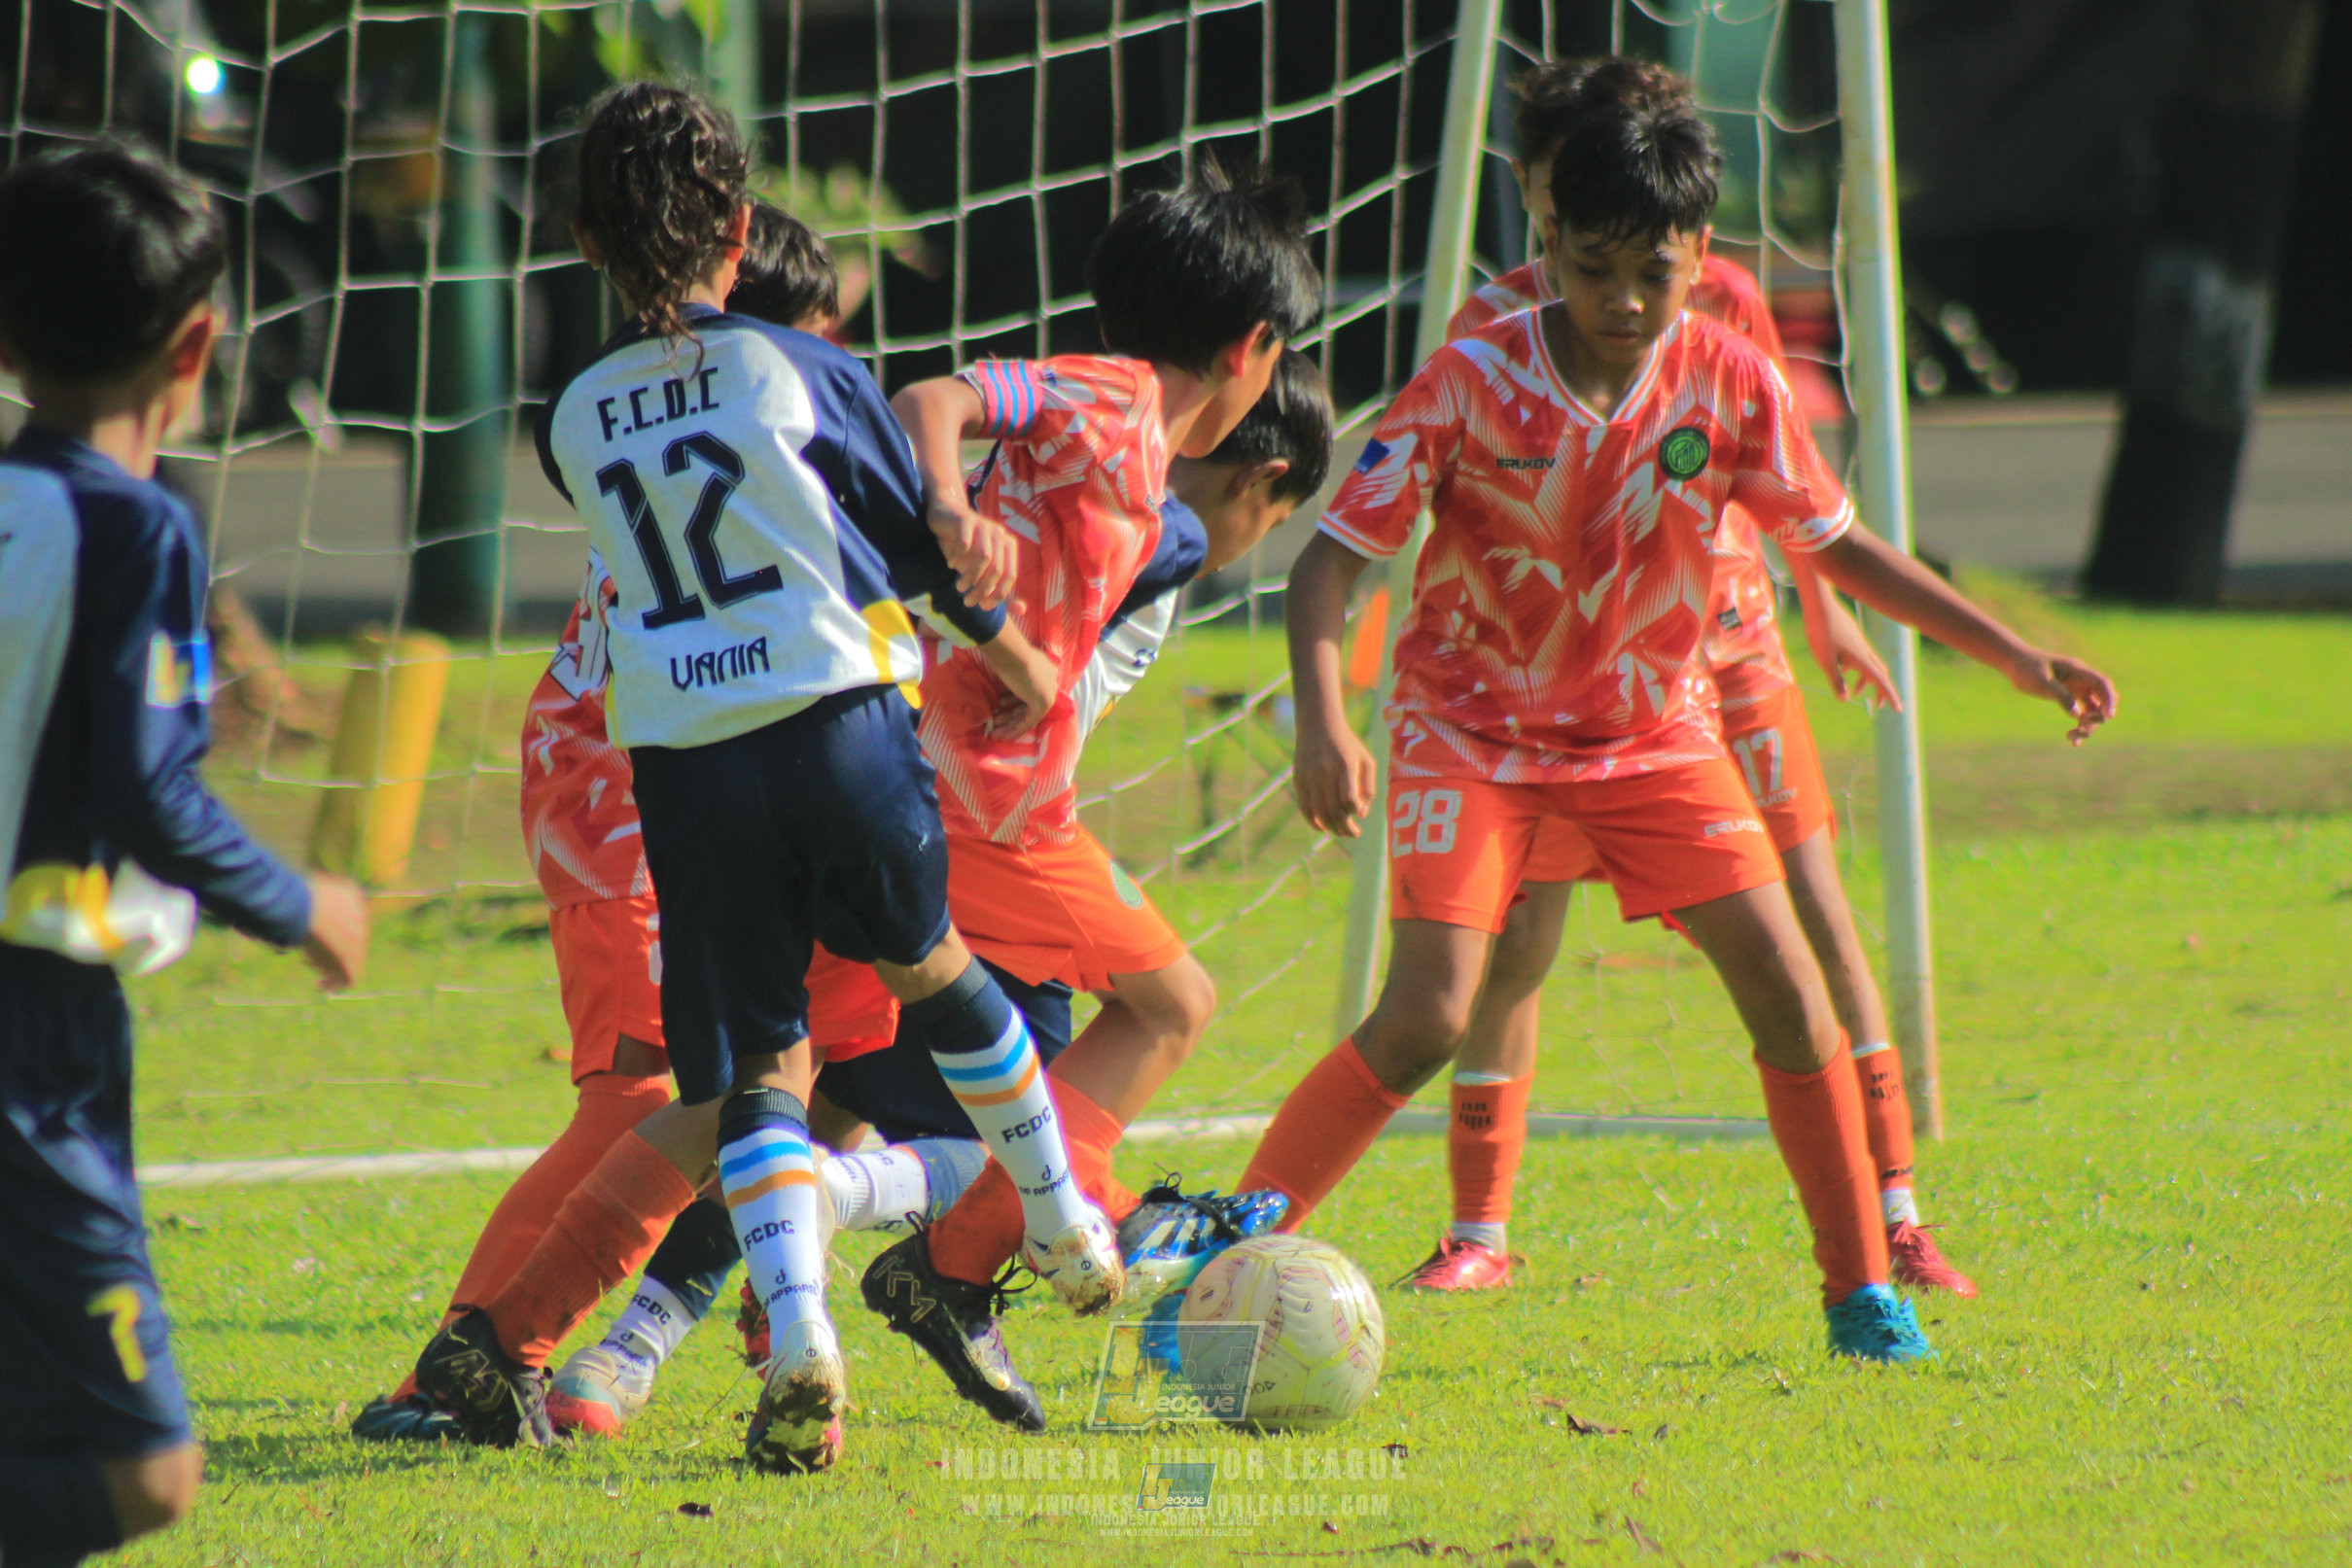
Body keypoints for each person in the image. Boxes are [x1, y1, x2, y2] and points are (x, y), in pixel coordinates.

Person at [1240, 69, 2115, 1362]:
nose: (1624, 302)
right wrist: (1324, 718)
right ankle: (1229, 1247)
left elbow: (1839, 543)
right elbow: (1327, 558)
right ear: (1545, 244)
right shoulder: (1469, 374)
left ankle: (1859, 1288)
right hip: (1471, 732)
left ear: (1693, 254)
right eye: (1594, 270)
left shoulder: (1726, 375)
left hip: (1651, 734)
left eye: (1650, 271)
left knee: (1781, 972)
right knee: (1430, 1006)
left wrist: (2006, 651)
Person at [411, 83, 1106, 1477]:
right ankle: (1057, 1214)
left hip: (687, 770)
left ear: (585, 242)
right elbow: (904, 543)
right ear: (739, 229)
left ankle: (796, 1330)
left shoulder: (572, 418)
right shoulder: (796, 369)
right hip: (836, 725)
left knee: (754, 1069)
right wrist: (1012, 653)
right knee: (930, 966)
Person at [554, 348, 1335, 1438]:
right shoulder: (1155, 523)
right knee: (1053, 1086)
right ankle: (939, 1256)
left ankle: (635, 1342)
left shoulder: (1077, 472)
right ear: (1262, 476)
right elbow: (1004, 603)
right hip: (947, 822)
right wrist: (984, 582)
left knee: (801, 1083)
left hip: (875, 792)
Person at [1409, 57, 1974, 1299]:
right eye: (1563, 208)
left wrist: (1826, 614)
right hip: (1566, 690)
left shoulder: (1711, 300)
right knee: (1513, 945)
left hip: (1722, 646)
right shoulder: (1488, 329)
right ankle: (1479, 1227)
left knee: (1811, 915)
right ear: (1536, 200)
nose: (1594, 246)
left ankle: (1895, 1210)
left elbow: (1796, 487)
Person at [858, 192, 1326, 1430]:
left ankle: (630, 1332)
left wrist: (1018, 654)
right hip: (982, 809)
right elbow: (931, 400)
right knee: (1170, 1002)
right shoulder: (1111, 396)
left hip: (978, 792)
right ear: (1250, 351)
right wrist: (950, 510)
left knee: (789, 1078)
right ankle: (973, 1259)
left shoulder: (1141, 456)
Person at [0, 142, 369, 1567]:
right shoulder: (134, 525)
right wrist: (304, 905)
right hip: (33, 1036)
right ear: (199, 344)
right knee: (145, 1470)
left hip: (51, 1015)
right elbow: (154, 790)